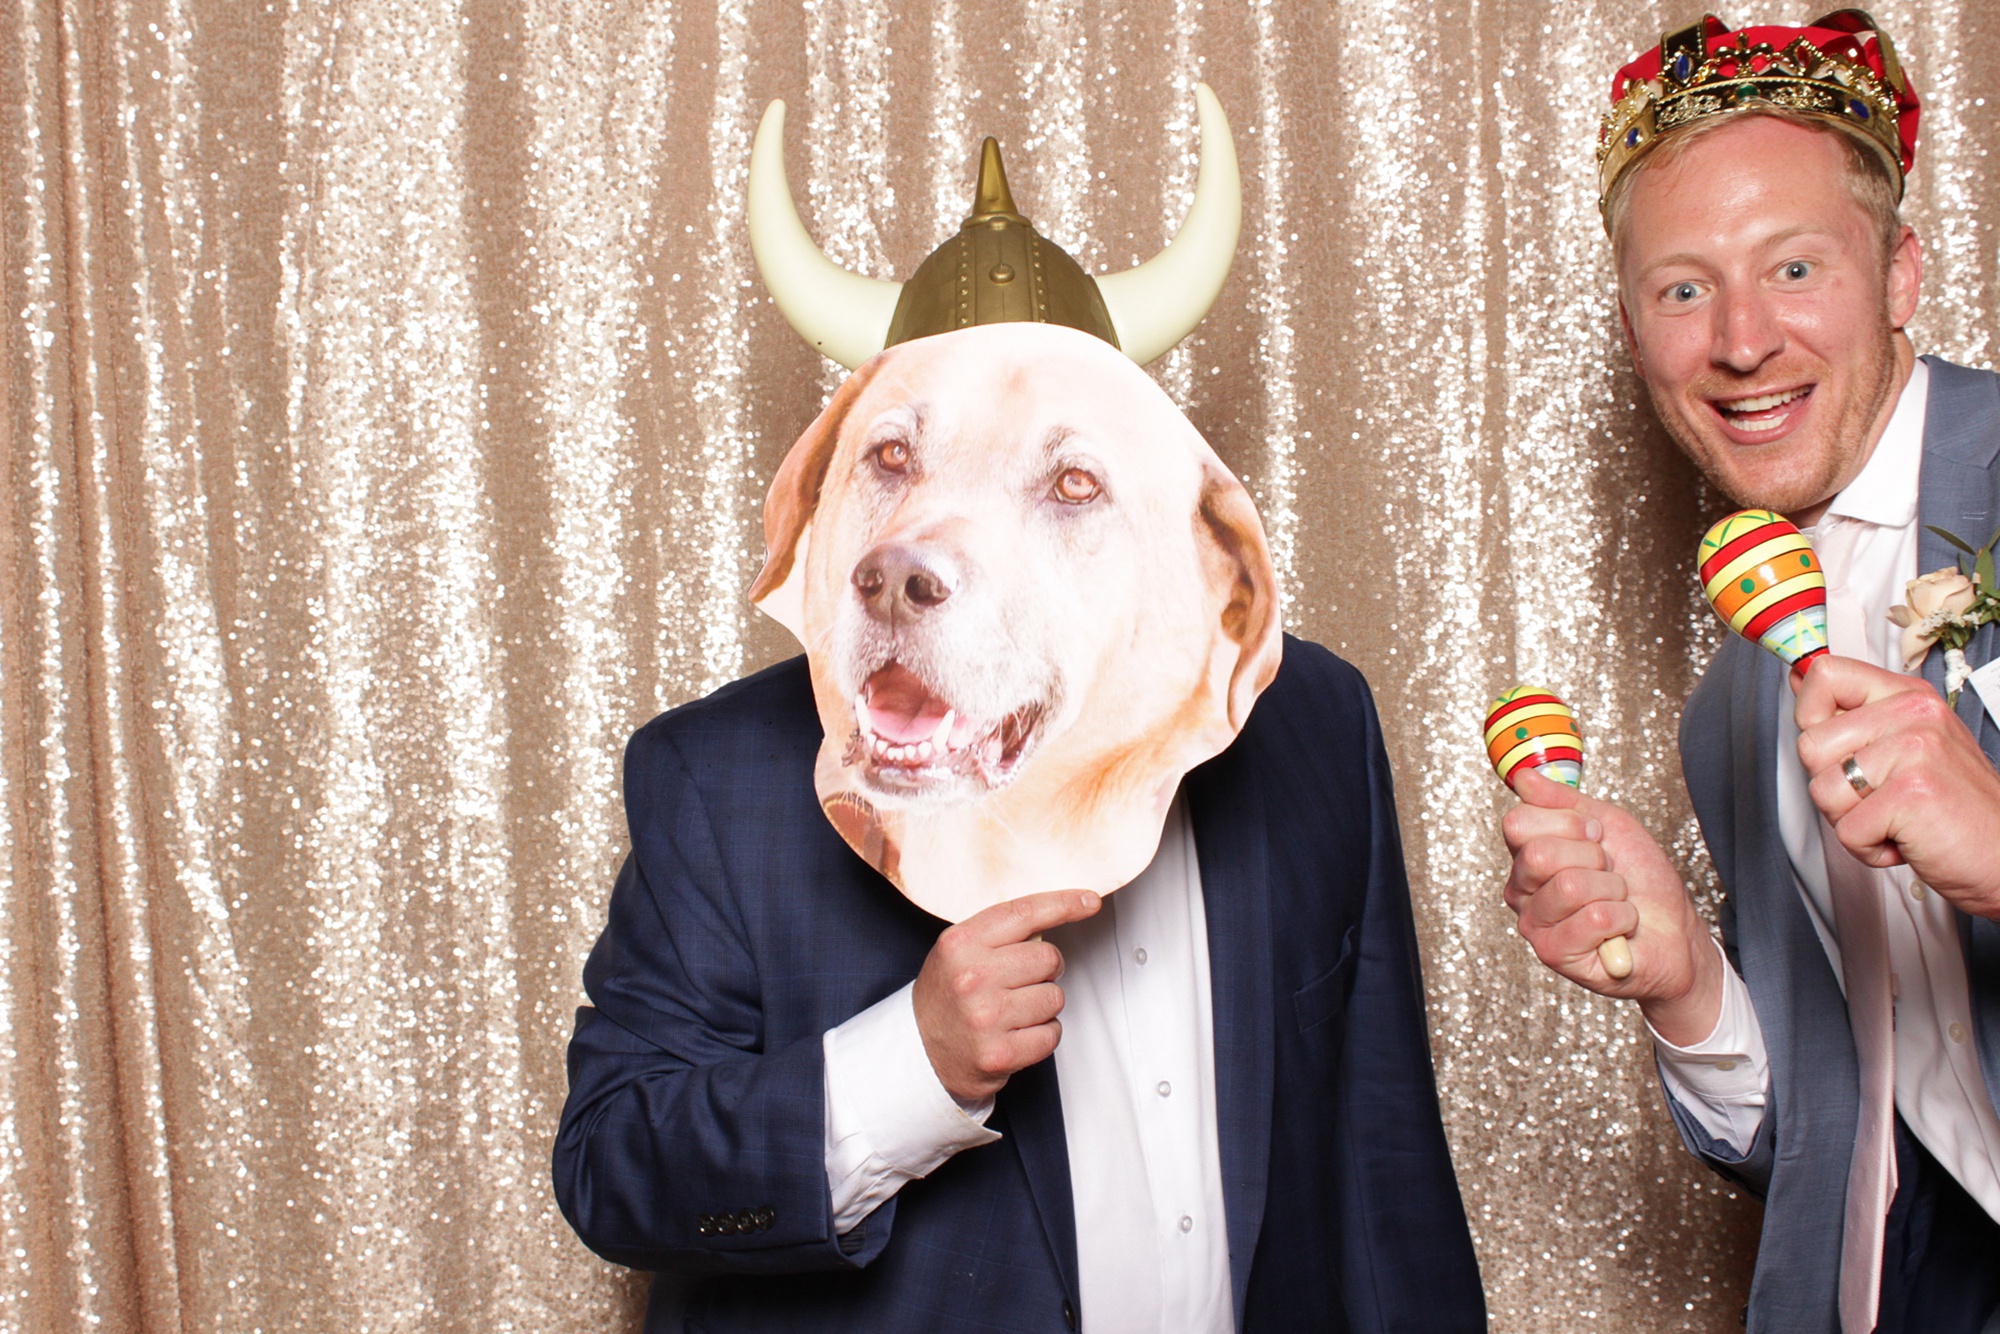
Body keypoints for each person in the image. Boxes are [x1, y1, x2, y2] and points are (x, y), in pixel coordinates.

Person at [552, 102, 1486, 1334]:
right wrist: (908, 1067)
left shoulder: (1306, 721)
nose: (916, 552)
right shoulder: (717, 780)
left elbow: (1380, 1169)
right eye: (896, 458)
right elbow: (615, 1169)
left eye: (1067, 482)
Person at [1501, 12, 2000, 1334]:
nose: (1739, 340)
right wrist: (1686, 988)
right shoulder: (1732, 707)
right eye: (1681, 289)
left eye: (1792, 267)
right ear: (1633, 327)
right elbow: (1833, 1140)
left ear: (1899, 273)